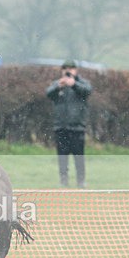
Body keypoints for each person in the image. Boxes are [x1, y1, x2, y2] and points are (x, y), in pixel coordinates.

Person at [46, 60, 93, 188]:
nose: (68, 71)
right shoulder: (58, 84)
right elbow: (48, 93)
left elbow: (87, 91)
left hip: (77, 127)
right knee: (62, 157)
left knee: (79, 157)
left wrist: (74, 85)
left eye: (71, 68)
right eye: (65, 68)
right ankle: (63, 180)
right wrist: (58, 87)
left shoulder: (81, 83)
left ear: (75, 70)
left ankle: (81, 181)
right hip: (61, 127)